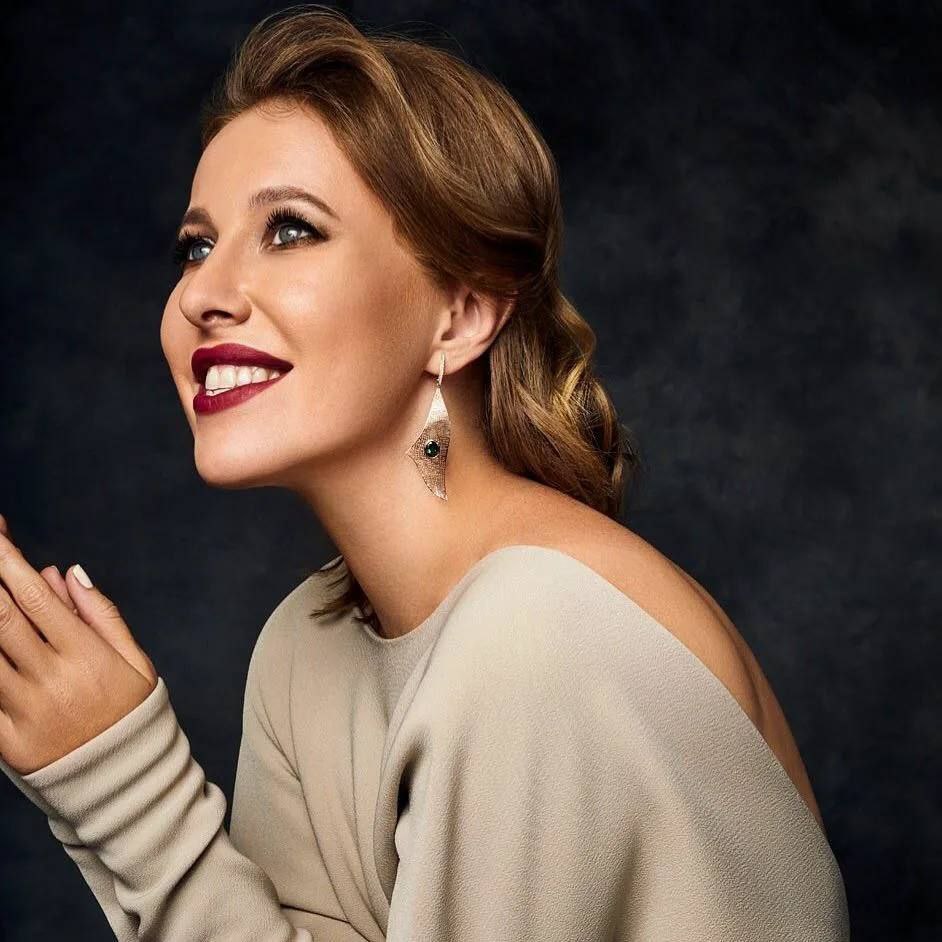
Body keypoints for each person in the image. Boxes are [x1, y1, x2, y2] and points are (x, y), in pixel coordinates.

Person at [0, 5, 850, 939]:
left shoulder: (535, 632)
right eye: (195, 247)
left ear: (462, 315)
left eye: (290, 230)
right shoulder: (304, 652)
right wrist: (107, 768)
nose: (202, 292)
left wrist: (130, 787)